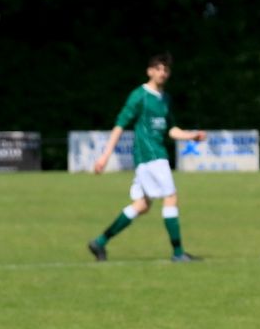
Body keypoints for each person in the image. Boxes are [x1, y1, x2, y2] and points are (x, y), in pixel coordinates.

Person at [88, 52, 205, 262]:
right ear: (149, 71)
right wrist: (105, 156)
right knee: (170, 197)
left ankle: (100, 242)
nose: (162, 73)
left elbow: (171, 130)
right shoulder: (139, 96)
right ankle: (178, 253)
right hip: (150, 155)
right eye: (158, 68)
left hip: (155, 155)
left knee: (142, 205)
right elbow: (120, 125)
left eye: (166, 70)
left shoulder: (165, 99)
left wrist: (191, 135)